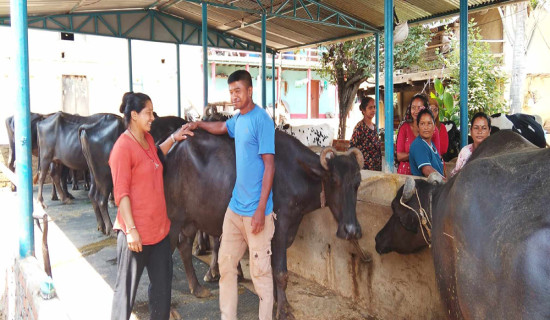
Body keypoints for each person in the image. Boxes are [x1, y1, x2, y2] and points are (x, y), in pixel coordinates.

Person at [183, 70, 276, 320]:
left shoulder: (262, 120)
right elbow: (223, 126)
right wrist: (198, 124)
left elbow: (270, 166)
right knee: (225, 266)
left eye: (238, 91)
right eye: (231, 91)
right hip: (235, 210)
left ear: (249, 91)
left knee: (261, 276)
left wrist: (260, 210)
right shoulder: (239, 119)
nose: (234, 96)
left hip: (257, 213)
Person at [110, 92, 194, 320]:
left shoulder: (146, 140)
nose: (152, 118)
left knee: (162, 293)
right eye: (148, 113)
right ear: (134, 115)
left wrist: (174, 138)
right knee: (125, 294)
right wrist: (131, 231)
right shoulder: (122, 148)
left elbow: (155, 155)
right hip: (135, 237)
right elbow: (121, 194)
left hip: (159, 233)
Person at [396, 93, 440, 175]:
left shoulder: (433, 130)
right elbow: (399, 156)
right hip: (405, 175)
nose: (416, 111)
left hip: (429, 174)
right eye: (413, 108)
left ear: (425, 108)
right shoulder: (404, 128)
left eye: (419, 108)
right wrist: (418, 154)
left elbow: (436, 155)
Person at [450, 112, 491, 177]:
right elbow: (454, 176)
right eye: (476, 128)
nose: (479, 131)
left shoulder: (493, 152)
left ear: (489, 131)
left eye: (484, 128)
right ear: (470, 131)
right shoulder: (465, 151)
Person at [409, 108, 445, 178]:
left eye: (429, 123)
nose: (426, 127)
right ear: (418, 127)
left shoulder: (431, 144)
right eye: (422, 124)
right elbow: (427, 170)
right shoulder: (419, 145)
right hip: (425, 188)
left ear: (434, 126)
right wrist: (446, 183)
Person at [349, 96, 382, 171]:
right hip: (364, 170)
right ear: (363, 110)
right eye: (370, 108)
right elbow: (352, 149)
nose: (373, 110)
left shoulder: (374, 127)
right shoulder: (359, 127)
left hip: (376, 169)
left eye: (374, 107)